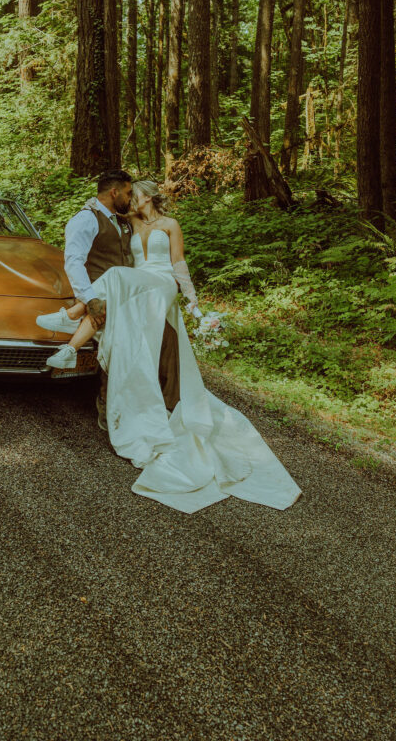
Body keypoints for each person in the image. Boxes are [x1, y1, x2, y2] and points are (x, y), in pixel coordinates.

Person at [41, 177, 302, 514]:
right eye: (128, 194)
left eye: (135, 194)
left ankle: (71, 315)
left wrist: (192, 302)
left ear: (148, 196)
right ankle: (78, 346)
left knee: (118, 278)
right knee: (121, 295)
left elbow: (178, 263)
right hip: (138, 287)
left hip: (162, 284)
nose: (131, 199)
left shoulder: (171, 224)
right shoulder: (128, 223)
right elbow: (99, 213)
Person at [36, 170, 181, 430]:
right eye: (127, 192)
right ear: (114, 192)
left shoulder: (124, 220)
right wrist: (90, 300)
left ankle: (166, 405)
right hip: (101, 298)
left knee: (162, 343)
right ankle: (108, 407)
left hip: (135, 295)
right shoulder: (85, 220)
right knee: (116, 350)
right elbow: (74, 263)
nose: (130, 197)